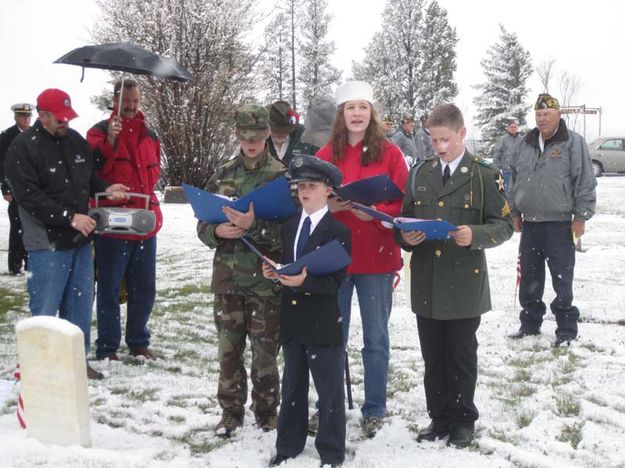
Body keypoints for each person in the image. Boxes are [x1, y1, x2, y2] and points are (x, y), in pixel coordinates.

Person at [396, 103, 513, 448]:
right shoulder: (419, 172)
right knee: (432, 356)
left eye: (445, 139)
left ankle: (462, 420)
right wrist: (405, 237)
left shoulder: (482, 174)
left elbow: (504, 225)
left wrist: (474, 235)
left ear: (462, 133)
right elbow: (403, 220)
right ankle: (439, 417)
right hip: (428, 281)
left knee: (461, 355)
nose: (439, 146)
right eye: (433, 140)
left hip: (463, 282)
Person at [3, 88, 128, 380]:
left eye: (68, 118)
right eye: (60, 119)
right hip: (46, 243)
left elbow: (87, 176)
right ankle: (40, 368)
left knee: (80, 303)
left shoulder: (73, 140)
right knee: (45, 308)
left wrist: (105, 187)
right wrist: (68, 217)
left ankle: (76, 362)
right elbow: (29, 196)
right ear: (42, 116)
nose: (66, 124)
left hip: (80, 240)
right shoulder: (23, 148)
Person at [317, 80, 409, 438]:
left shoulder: (389, 154)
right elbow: (307, 200)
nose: (357, 114)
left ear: (372, 113)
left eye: (363, 107)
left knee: (375, 338)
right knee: (331, 338)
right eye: (350, 108)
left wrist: (378, 212)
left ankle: (374, 407)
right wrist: (329, 204)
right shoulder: (326, 155)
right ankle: (329, 404)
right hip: (334, 259)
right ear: (342, 114)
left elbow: (403, 202)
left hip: (377, 257)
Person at [196, 103, 284, 437]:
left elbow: (288, 234)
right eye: (244, 136)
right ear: (237, 135)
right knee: (228, 351)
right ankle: (230, 411)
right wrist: (216, 232)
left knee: (265, 351)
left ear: (267, 134)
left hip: (264, 281)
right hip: (228, 280)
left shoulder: (281, 175)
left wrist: (254, 227)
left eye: (257, 135)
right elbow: (203, 225)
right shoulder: (223, 174)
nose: (251, 142)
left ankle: (266, 410)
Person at [266, 155, 350, 468]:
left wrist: (306, 281)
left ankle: (330, 452)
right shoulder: (290, 226)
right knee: (292, 387)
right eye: (300, 186)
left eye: (311, 186)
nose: (304, 191)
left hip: (323, 322)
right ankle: (288, 445)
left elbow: (335, 281)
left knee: (329, 391)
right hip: (292, 319)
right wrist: (274, 271)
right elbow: (287, 261)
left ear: (328, 189)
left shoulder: (338, 231)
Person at [508, 94, 596, 347]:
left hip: (560, 224)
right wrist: (514, 212)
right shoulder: (524, 143)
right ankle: (530, 324)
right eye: (538, 114)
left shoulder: (572, 143)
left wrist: (581, 217)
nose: (542, 119)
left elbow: (585, 181)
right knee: (530, 278)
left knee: (562, 279)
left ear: (558, 115)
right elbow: (513, 180)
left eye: (547, 114)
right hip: (531, 224)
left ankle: (566, 328)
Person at [86, 79, 162, 361]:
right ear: (115, 99)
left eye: (135, 100)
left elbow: (154, 173)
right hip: (113, 224)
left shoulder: (150, 134)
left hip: (144, 222)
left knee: (145, 287)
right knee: (109, 287)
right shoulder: (98, 131)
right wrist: (110, 142)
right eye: (125, 100)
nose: (131, 105)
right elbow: (91, 170)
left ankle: (138, 341)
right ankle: (107, 347)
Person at [0, 103, 33, 275]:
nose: (26, 119)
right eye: (22, 116)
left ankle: (30, 264)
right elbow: (1, 164)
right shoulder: (6, 136)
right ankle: (15, 266)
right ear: (15, 117)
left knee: (32, 228)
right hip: (14, 188)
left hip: (33, 190)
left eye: (28, 116)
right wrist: (5, 188)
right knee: (17, 227)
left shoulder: (36, 135)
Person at [267, 100, 317, 166]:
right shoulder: (258, 140)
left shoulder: (306, 136)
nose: (282, 133)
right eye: (277, 130)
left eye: (286, 129)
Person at [493, 118, 521, 193]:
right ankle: (508, 204)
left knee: (519, 190)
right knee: (507, 190)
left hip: (519, 170)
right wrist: (496, 168)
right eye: (511, 127)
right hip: (507, 170)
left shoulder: (521, 139)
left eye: (515, 127)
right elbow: (497, 153)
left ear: (517, 128)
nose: (513, 129)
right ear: (508, 129)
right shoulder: (503, 139)